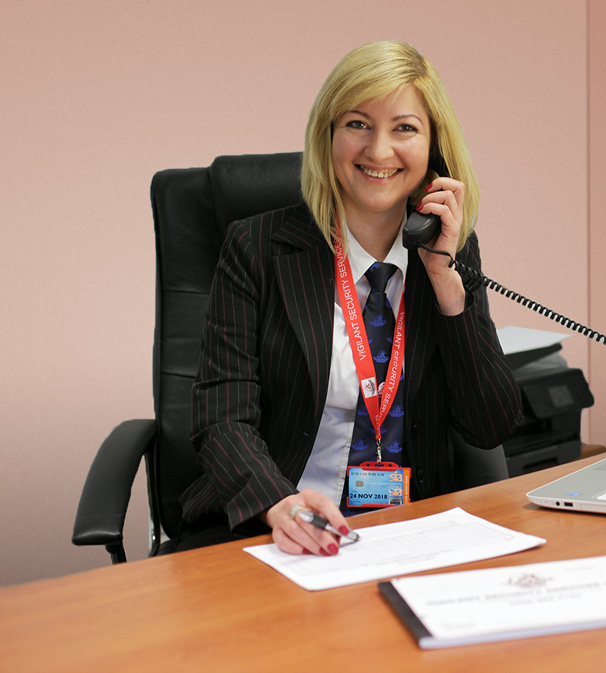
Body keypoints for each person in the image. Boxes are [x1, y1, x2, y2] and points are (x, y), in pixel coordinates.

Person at [173, 41, 522, 556]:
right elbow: (222, 416)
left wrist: (450, 288)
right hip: (277, 528)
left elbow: (488, 425)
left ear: (435, 150)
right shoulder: (258, 249)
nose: (379, 151)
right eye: (358, 124)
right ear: (328, 137)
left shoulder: (449, 249)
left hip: (411, 532)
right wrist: (279, 505)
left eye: (404, 128)